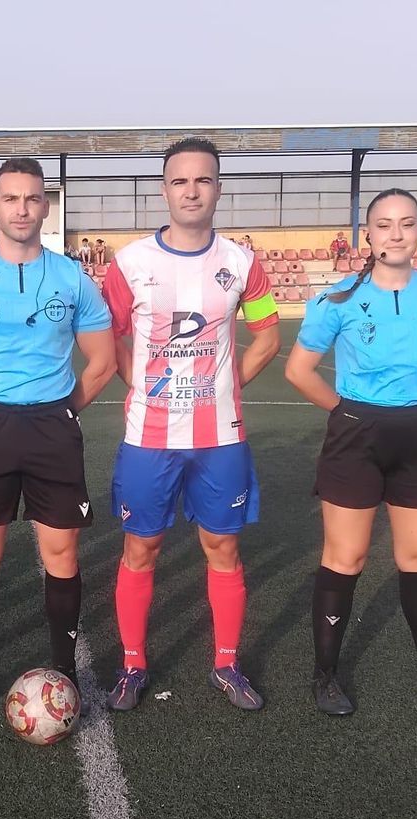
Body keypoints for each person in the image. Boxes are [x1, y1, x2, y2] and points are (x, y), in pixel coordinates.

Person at [283, 188, 417, 715]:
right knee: (345, 557)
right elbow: (299, 370)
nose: (396, 233)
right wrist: (344, 412)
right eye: (384, 224)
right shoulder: (339, 299)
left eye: (407, 223)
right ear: (367, 234)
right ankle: (325, 675)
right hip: (356, 436)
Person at [0, 157, 116, 722]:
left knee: (61, 553)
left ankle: (63, 674)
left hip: (50, 429)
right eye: (10, 199)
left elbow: (102, 361)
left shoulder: (72, 277)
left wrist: (60, 413)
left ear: (45, 205)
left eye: (32, 199)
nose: (21, 209)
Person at [99, 138, 283, 712]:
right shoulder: (130, 265)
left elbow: (268, 337)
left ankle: (226, 663)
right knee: (141, 548)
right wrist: (143, 385)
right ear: (164, 190)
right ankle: (133, 666)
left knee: (221, 548)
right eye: (180, 181)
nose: (191, 190)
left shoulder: (243, 264)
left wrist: (225, 387)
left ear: (218, 188)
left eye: (203, 180)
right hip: (149, 437)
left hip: (220, 438)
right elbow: (108, 339)